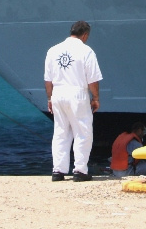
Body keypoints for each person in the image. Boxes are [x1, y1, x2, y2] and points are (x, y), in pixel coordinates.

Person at [44, 20, 103, 181]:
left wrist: (50, 98)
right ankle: (80, 170)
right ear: (85, 35)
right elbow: (92, 79)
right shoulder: (86, 51)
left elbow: (48, 79)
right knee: (82, 131)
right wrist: (95, 98)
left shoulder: (53, 50)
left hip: (58, 93)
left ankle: (58, 171)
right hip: (77, 93)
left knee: (61, 132)